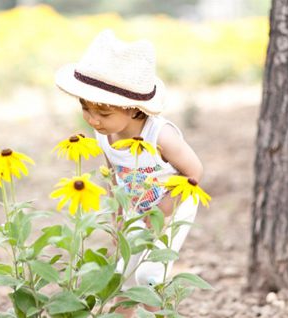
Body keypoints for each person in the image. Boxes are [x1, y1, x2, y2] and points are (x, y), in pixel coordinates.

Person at [55, 29, 204, 316]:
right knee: (123, 270)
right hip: (134, 203)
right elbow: (114, 175)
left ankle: (155, 313)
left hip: (174, 204)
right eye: (85, 108)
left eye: (103, 114)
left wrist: (165, 208)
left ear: (135, 110)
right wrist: (118, 215)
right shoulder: (103, 134)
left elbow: (194, 172)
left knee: (149, 273)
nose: (92, 119)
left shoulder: (160, 135)